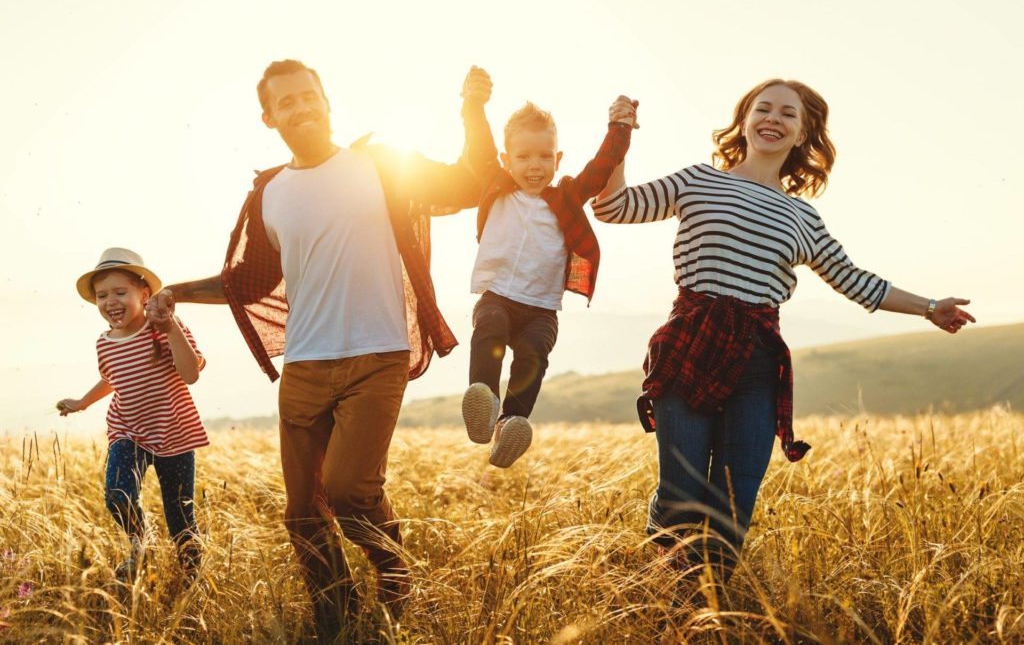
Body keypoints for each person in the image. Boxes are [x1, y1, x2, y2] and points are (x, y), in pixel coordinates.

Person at [146, 60, 498, 635]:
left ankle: (393, 576)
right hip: (304, 365)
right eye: (287, 102)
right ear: (268, 117)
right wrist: (179, 291)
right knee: (303, 513)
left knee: (351, 491)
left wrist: (472, 111)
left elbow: (466, 181)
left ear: (327, 101)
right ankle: (335, 617)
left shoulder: (381, 165)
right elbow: (249, 281)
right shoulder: (270, 193)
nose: (302, 107)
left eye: (310, 95)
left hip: (375, 356)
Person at [592, 81, 975, 577]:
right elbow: (613, 207)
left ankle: (706, 605)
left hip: (756, 359)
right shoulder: (697, 181)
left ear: (802, 134)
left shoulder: (803, 217)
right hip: (690, 342)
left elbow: (855, 281)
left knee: (733, 499)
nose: (772, 119)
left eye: (787, 114)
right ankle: (665, 587)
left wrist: (928, 307)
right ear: (744, 120)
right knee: (681, 494)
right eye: (763, 108)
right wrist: (619, 137)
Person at [461, 99, 634, 467]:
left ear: (557, 159)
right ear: (507, 161)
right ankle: (484, 399)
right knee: (488, 329)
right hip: (498, 296)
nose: (534, 166)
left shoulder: (567, 197)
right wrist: (472, 104)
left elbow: (601, 168)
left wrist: (619, 127)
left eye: (543, 157)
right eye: (523, 157)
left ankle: (511, 421)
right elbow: (479, 144)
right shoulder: (497, 185)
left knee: (534, 354)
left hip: (541, 308)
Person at [57, 248, 207, 585]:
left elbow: (190, 374)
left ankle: (191, 576)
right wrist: (82, 402)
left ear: (144, 295)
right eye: (102, 295)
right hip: (129, 431)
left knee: (180, 514)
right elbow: (113, 379)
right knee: (117, 494)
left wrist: (169, 328)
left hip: (175, 434)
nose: (110, 301)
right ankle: (141, 545)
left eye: (120, 292)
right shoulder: (105, 343)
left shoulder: (164, 329)